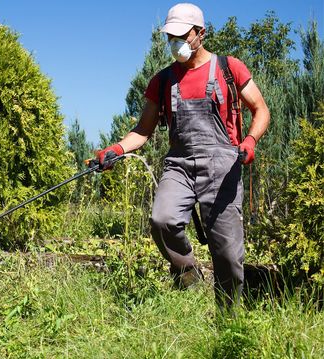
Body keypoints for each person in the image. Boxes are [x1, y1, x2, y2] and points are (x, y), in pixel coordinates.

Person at [96, 3, 270, 310]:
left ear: (200, 33)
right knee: (162, 220)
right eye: (170, 36)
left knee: (228, 254)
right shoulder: (162, 80)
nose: (175, 42)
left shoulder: (229, 68)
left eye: (181, 35)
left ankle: (227, 321)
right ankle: (188, 273)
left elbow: (261, 109)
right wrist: (117, 149)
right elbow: (143, 129)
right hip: (180, 164)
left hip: (223, 165)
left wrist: (251, 140)